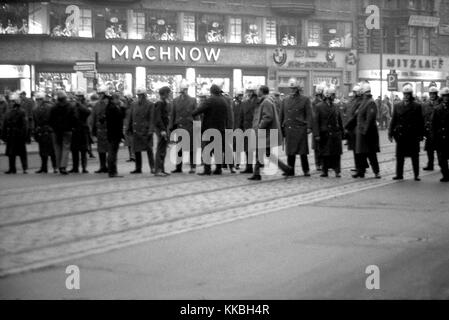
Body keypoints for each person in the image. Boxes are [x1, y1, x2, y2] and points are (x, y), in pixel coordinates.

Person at [248, 85, 292, 180]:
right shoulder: (267, 100)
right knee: (266, 153)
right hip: (267, 133)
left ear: (262, 91)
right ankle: (285, 168)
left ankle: (257, 174)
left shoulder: (266, 102)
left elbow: (268, 117)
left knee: (261, 152)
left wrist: (260, 127)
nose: (257, 91)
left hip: (265, 133)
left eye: (258, 89)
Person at [388, 84, 424, 181]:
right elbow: (393, 120)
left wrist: (421, 134)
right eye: (405, 94)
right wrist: (390, 133)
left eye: (408, 94)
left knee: (414, 156)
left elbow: (421, 121)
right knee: (399, 156)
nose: (406, 96)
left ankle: (416, 175)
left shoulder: (417, 106)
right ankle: (399, 174)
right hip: (401, 135)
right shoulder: (397, 105)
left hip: (412, 135)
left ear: (411, 95)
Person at [192, 84, 229, 175]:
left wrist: (194, 113)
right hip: (221, 129)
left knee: (207, 149)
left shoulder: (210, 100)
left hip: (209, 129)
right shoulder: (224, 101)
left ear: (211, 92)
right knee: (218, 149)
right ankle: (218, 169)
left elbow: (197, 111)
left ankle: (207, 169)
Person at [279, 78, 313, 177]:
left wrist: (309, 127)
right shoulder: (285, 100)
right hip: (289, 128)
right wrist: (281, 128)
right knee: (290, 152)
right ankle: (290, 170)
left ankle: (306, 170)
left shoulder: (305, 99)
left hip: (300, 128)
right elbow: (281, 115)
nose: (292, 90)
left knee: (303, 152)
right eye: (291, 88)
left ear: (298, 89)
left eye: (294, 88)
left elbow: (309, 114)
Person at [313, 87, 344, 178]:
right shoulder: (319, 106)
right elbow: (316, 122)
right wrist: (316, 134)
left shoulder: (336, 106)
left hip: (335, 133)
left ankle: (337, 171)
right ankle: (324, 171)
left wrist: (342, 132)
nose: (334, 96)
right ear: (328, 95)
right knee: (325, 154)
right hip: (324, 134)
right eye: (333, 94)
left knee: (336, 154)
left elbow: (339, 120)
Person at [352, 83, 381, 179]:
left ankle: (376, 172)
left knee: (371, 154)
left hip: (367, 133)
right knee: (360, 153)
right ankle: (361, 172)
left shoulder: (370, 102)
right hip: (361, 132)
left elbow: (370, 119)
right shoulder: (364, 101)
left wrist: (364, 130)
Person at [170, 80, 198, 174]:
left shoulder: (193, 100)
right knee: (179, 148)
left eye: (185, 90)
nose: (183, 92)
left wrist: (197, 127)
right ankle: (178, 167)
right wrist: (171, 128)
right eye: (182, 90)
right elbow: (172, 115)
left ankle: (193, 167)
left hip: (190, 127)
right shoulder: (175, 101)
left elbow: (196, 115)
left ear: (187, 90)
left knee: (191, 148)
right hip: (179, 127)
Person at [127, 87, 155, 174]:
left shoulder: (150, 104)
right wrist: (128, 128)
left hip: (145, 131)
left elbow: (152, 119)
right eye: (138, 95)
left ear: (145, 95)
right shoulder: (133, 104)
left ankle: (152, 167)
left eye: (141, 95)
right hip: (136, 130)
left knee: (149, 150)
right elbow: (130, 117)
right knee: (136, 150)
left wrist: (151, 130)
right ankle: (138, 168)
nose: (140, 97)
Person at [49, 90, 76, 175]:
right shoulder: (70, 106)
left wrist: (53, 127)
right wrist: (72, 127)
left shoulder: (53, 107)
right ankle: (63, 166)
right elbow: (74, 118)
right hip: (67, 130)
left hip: (56, 130)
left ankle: (58, 165)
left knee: (57, 148)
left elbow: (50, 119)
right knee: (66, 148)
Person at [2, 93, 28, 174]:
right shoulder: (8, 112)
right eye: (10, 101)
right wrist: (3, 135)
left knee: (22, 153)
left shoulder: (22, 112)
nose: (11, 103)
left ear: (16, 102)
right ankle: (12, 168)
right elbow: (5, 124)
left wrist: (24, 135)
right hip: (10, 135)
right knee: (11, 153)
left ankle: (25, 168)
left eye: (13, 101)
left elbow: (24, 125)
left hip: (18, 135)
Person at [33, 92, 57, 173]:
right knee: (42, 151)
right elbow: (35, 121)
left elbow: (53, 119)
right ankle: (44, 167)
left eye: (40, 99)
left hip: (48, 130)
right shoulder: (35, 109)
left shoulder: (49, 107)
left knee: (52, 151)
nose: (38, 101)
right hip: (41, 130)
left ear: (43, 99)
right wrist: (35, 130)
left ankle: (55, 167)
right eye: (37, 99)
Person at [344, 84, 366, 173]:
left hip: (356, 128)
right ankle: (359, 166)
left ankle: (360, 167)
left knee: (358, 149)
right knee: (355, 149)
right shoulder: (354, 101)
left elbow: (355, 116)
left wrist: (347, 127)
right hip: (352, 128)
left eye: (354, 92)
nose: (353, 94)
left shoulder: (360, 102)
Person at [105, 92, 126, 178]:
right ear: (114, 99)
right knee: (112, 153)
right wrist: (122, 107)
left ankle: (112, 171)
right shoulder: (113, 108)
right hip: (115, 133)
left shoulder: (110, 107)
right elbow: (121, 116)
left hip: (111, 132)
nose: (119, 100)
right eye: (118, 99)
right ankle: (112, 171)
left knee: (112, 152)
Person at [70, 90, 91, 173]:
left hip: (83, 129)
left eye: (80, 96)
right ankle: (75, 167)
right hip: (75, 129)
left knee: (83, 150)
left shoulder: (86, 104)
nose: (78, 98)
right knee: (74, 149)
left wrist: (80, 105)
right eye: (77, 96)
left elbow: (88, 112)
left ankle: (84, 167)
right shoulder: (73, 105)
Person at [238, 84, 258, 174]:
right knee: (247, 149)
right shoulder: (244, 103)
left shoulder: (259, 102)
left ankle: (257, 167)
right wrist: (240, 128)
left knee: (257, 149)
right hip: (246, 128)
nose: (249, 93)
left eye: (251, 92)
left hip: (256, 128)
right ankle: (249, 167)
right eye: (248, 92)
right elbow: (241, 116)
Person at [92, 86, 111, 173]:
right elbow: (94, 117)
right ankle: (102, 166)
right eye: (99, 94)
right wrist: (94, 130)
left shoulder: (109, 104)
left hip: (108, 130)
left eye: (101, 94)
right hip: (100, 130)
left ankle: (109, 166)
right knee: (100, 150)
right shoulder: (96, 105)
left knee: (109, 150)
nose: (100, 96)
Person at [432, 87, 449, 182]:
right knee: (441, 158)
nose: (446, 98)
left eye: (448, 96)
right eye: (444, 96)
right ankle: (445, 175)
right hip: (440, 137)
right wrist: (434, 136)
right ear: (442, 97)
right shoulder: (437, 109)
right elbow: (434, 124)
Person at [153, 86, 171, 177]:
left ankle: (161, 169)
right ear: (164, 94)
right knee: (160, 149)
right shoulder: (159, 103)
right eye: (168, 93)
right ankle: (158, 170)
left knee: (163, 149)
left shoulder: (163, 102)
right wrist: (163, 130)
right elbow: (158, 118)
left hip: (163, 128)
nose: (169, 95)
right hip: (161, 129)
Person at [422, 86, 440, 171]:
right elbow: (423, 117)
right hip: (429, 130)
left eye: (434, 94)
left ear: (436, 94)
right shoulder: (426, 104)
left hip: (438, 130)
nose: (432, 95)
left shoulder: (441, 102)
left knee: (440, 149)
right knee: (429, 149)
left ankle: (442, 165)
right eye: (431, 94)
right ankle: (430, 165)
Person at [312, 84, 325, 171]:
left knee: (324, 146)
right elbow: (314, 116)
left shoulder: (324, 101)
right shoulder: (314, 102)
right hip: (317, 126)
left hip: (324, 126)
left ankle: (323, 163)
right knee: (317, 147)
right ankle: (318, 164)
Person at [232, 89, 244, 170]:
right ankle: (230, 163)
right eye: (239, 95)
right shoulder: (232, 104)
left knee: (238, 148)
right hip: (232, 128)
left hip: (239, 128)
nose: (241, 97)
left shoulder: (243, 104)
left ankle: (237, 163)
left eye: (241, 95)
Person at [122, 92, 135, 162]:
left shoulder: (133, 105)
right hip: (126, 125)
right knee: (128, 142)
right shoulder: (125, 106)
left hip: (132, 125)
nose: (125, 100)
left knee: (132, 142)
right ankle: (131, 156)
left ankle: (133, 156)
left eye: (126, 98)